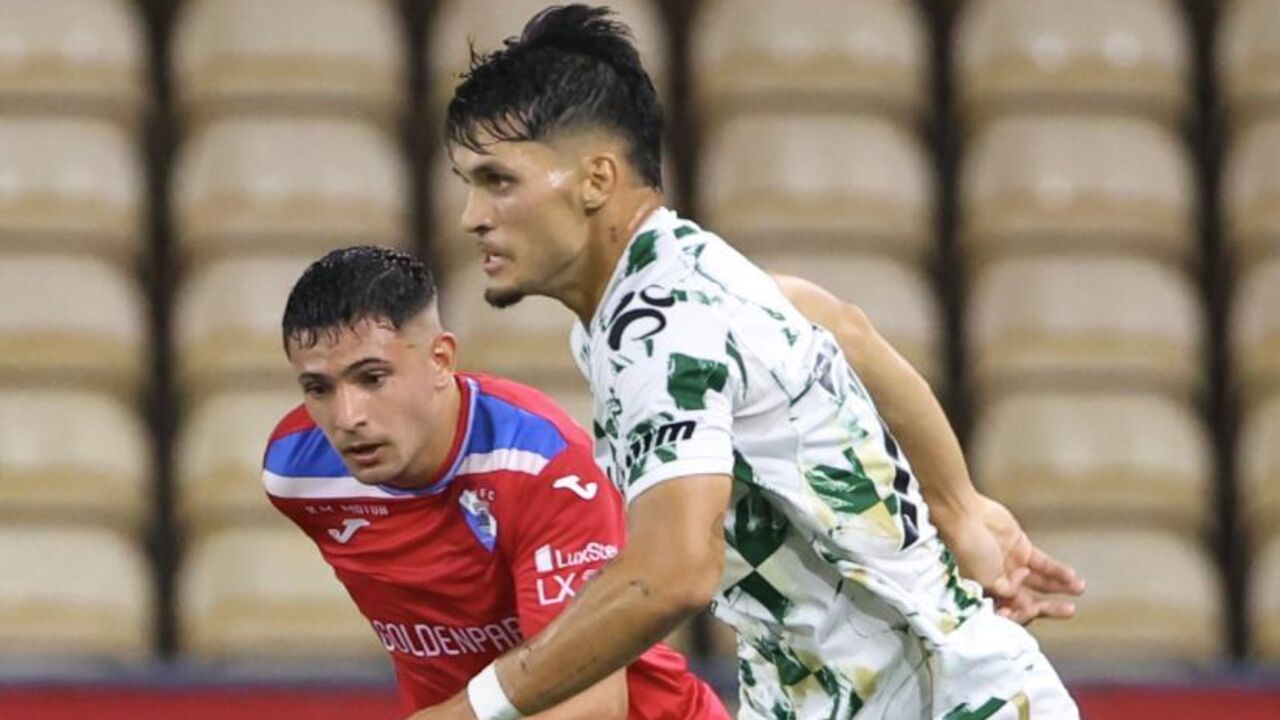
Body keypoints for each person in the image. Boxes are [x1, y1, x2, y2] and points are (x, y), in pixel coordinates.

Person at [423, 5, 1085, 719]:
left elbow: (671, 574)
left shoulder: (660, 328)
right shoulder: (682, 268)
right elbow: (844, 326)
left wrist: (475, 707)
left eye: (497, 180)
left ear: (595, 179)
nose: (472, 216)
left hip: (937, 700)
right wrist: (961, 508)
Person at [264, 245, 730, 719]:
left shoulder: (541, 465)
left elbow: (593, 707)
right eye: (318, 389)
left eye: (373, 378)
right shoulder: (297, 476)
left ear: (441, 359)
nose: (347, 418)